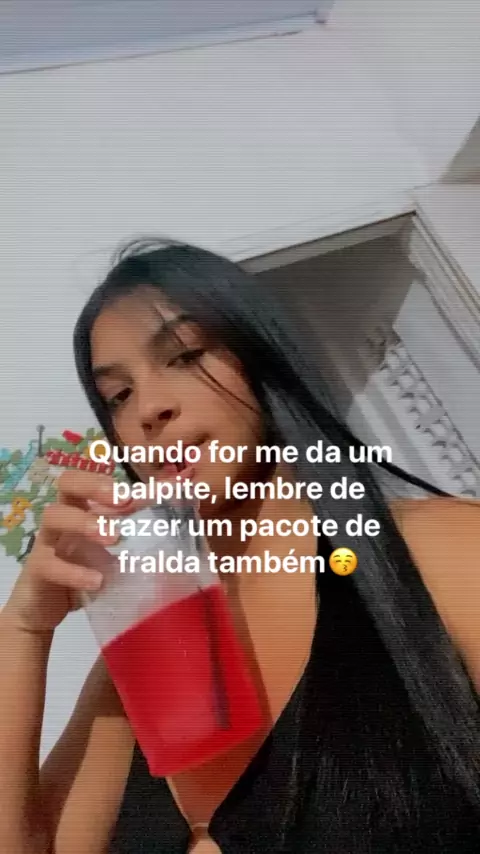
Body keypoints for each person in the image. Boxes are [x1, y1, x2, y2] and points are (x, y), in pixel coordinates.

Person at [1, 238, 480, 854]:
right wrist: (24, 629)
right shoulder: (145, 657)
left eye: (184, 355)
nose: (149, 409)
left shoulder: (441, 552)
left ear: (260, 355)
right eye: (119, 396)